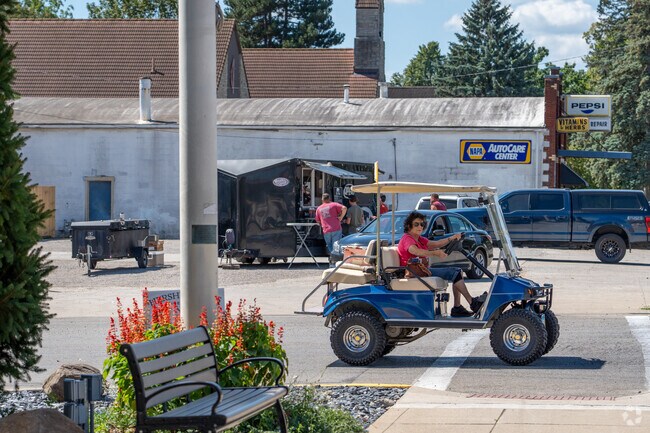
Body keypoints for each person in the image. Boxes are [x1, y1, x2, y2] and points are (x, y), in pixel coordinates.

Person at [397, 211, 483, 317]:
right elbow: (415, 251)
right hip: (414, 272)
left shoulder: (419, 239)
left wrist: (451, 238)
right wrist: (435, 253)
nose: (420, 226)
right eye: (416, 224)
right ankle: (472, 302)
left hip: (422, 270)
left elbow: (435, 244)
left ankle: (457, 307)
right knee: (455, 272)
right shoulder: (407, 239)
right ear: (409, 225)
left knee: (458, 271)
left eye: (422, 224)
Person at [315, 193, 347, 258]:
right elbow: (344, 208)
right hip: (336, 228)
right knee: (336, 246)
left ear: (322, 199)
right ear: (329, 198)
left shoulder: (319, 208)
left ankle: (332, 259)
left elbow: (318, 220)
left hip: (326, 229)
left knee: (330, 246)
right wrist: (341, 217)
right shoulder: (334, 205)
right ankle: (335, 260)